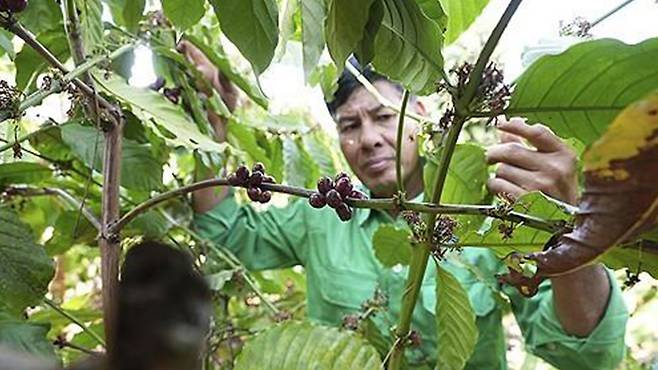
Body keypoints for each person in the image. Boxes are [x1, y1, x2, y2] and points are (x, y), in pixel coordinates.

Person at [179, 42, 628, 369]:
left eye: (383, 117)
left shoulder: (491, 216)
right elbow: (225, 233)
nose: (370, 138)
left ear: (424, 115)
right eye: (350, 125)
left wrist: (567, 226)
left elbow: (588, 354)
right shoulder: (319, 218)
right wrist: (211, 127)